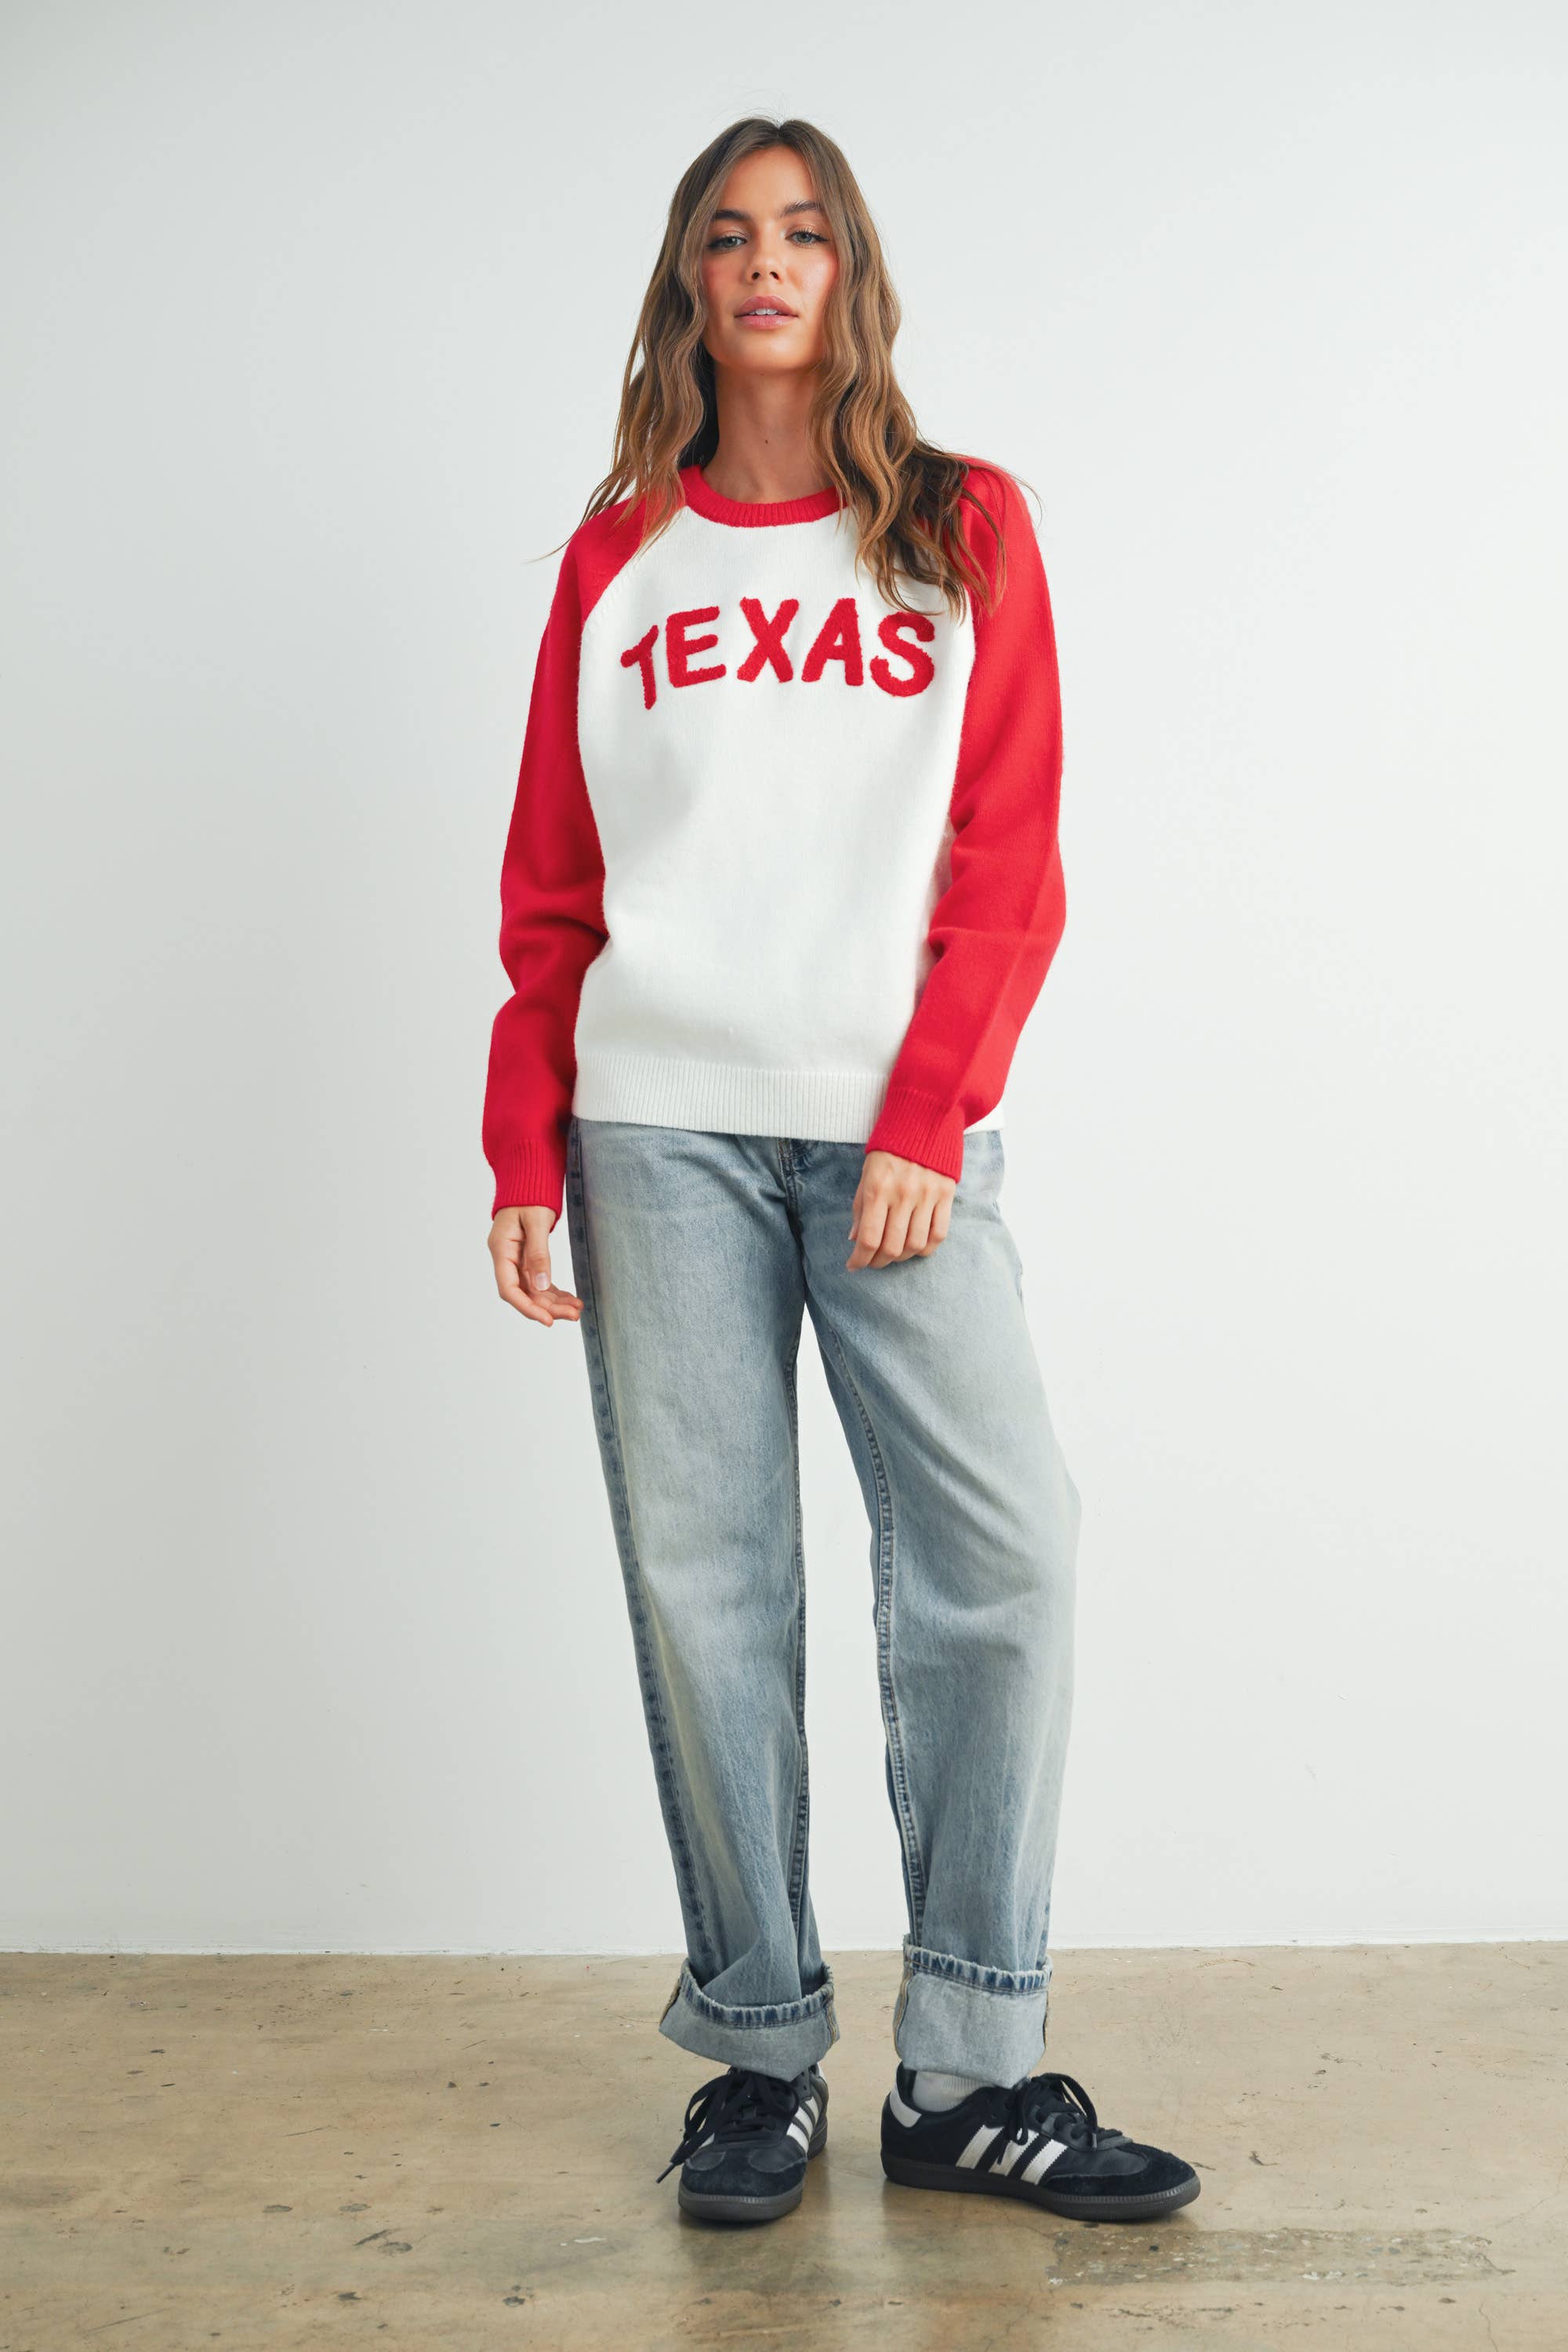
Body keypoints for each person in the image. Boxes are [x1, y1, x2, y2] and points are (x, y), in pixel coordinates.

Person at [482, 115, 1199, 2231]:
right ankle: (760, 2055)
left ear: (850, 271)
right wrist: (524, 1138)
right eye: (729, 235)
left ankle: (966, 2071)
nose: (767, 262)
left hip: (895, 1129)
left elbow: (1009, 855)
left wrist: (925, 1114)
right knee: (708, 1589)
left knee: (1006, 1552)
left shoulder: (962, 528)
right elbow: (555, 884)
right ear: (690, 283)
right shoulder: (619, 557)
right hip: (655, 1125)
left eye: (803, 231)